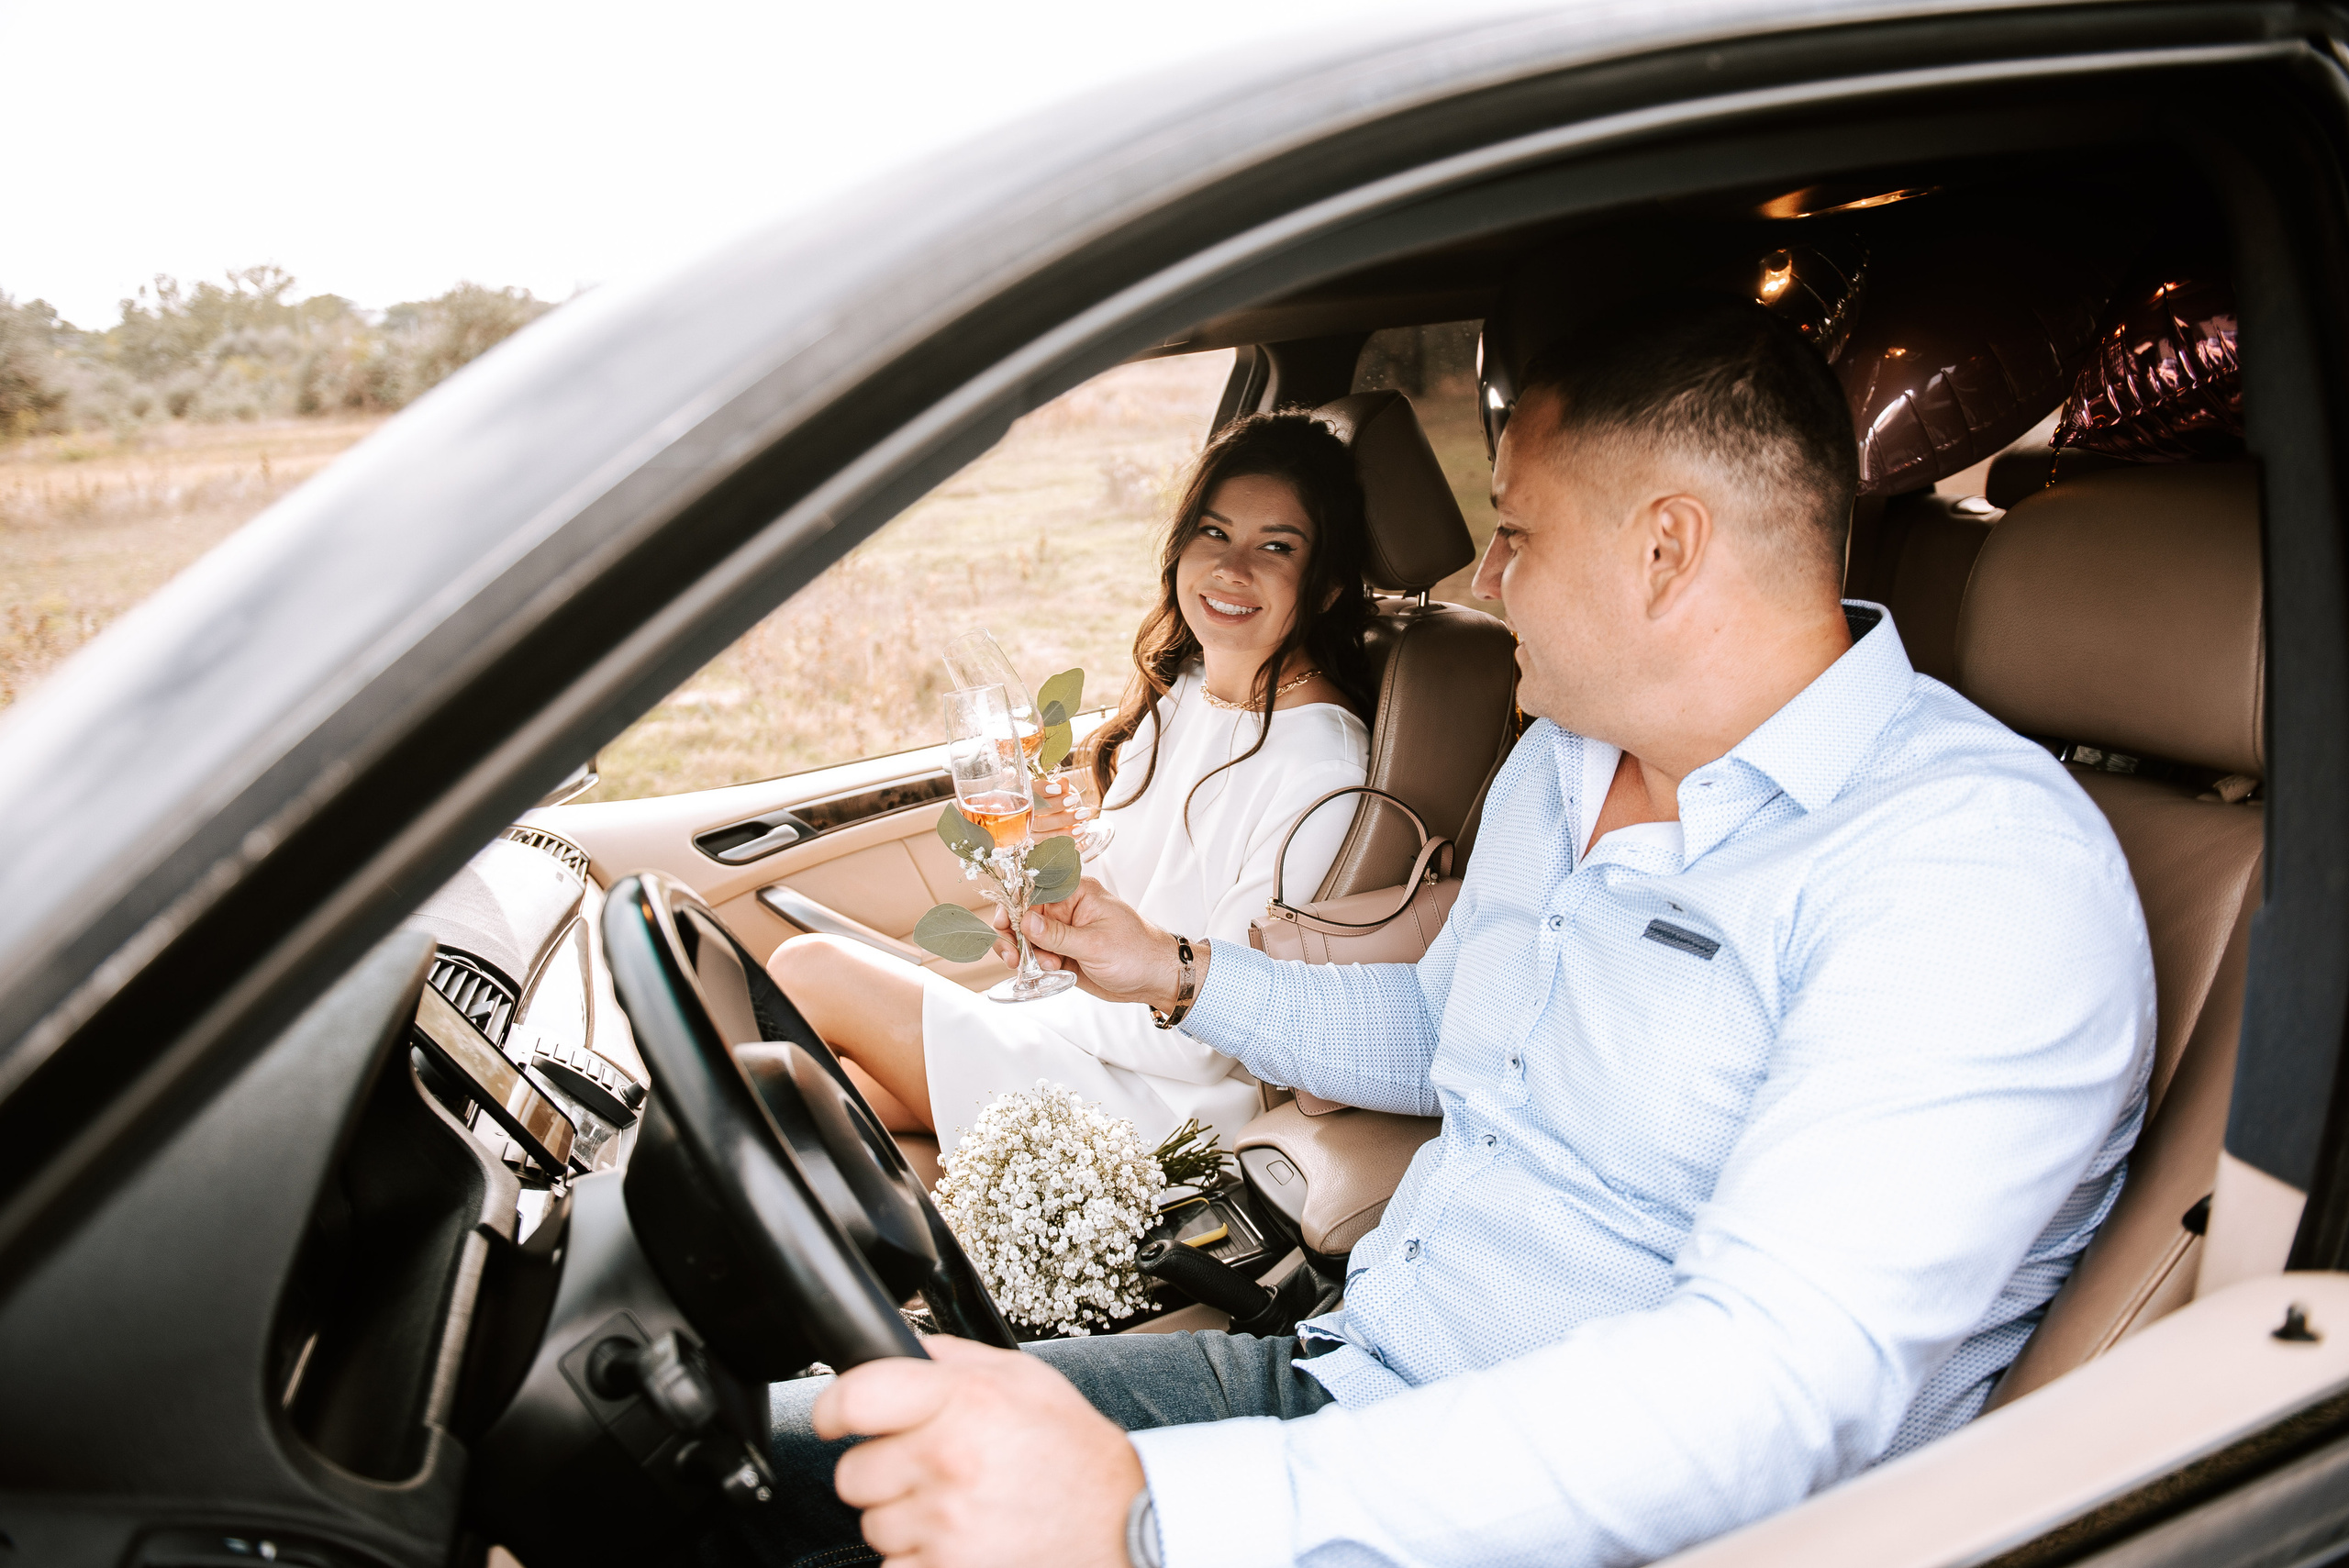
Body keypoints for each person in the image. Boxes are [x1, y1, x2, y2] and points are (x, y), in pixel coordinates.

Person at [721, 294, 2155, 1568]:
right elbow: (1437, 1029)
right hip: (1353, 1382)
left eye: (1517, 532)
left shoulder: (1970, 873)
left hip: (1592, 1526)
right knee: (746, 1458)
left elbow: (1768, 1391)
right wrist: (1175, 970)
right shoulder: (1563, 759)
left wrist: (1152, 1521)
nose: (1478, 581)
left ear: (1667, 550)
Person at [766, 411, 1375, 1161]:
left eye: (1275, 547)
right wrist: (1049, 900)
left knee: (807, 970)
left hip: (1164, 1108)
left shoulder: (1324, 768)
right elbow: (1117, 892)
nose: (1231, 567)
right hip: (1081, 1037)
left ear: (1326, 588)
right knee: (823, 1091)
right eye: (1213, 533)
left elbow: (1212, 1042)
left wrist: (1045, 988)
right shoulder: (1182, 692)